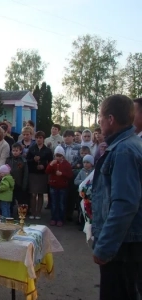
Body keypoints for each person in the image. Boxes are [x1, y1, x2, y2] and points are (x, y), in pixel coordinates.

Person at [92, 94, 142, 299]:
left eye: (101, 117)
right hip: (125, 244)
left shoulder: (124, 151)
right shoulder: (126, 145)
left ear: (111, 119)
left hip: (124, 248)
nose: (99, 122)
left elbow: (124, 204)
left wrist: (104, 247)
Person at [26, 131, 53, 220]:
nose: (38, 139)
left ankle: (38, 212)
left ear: (43, 139)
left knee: (40, 194)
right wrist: (33, 160)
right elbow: (26, 161)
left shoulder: (47, 150)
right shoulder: (32, 149)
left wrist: (44, 166)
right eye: (37, 138)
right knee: (33, 194)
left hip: (42, 174)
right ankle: (33, 211)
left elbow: (51, 163)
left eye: (40, 138)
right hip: (33, 174)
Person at [45, 146, 73, 227]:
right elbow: (47, 171)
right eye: (56, 155)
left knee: (62, 203)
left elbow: (70, 175)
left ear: (63, 156)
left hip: (63, 187)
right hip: (53, 186)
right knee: (54, 203)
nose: (58, 157)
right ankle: (54, 218)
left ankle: (61, 219)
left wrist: (62, 174)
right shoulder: (53, 163)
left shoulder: (66, 164)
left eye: (59, 156)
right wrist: (50, 164)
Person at [74, 154, 94, 231]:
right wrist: (84, 182)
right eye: (84, 162)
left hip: (90, 195)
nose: (85, 164)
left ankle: (90, 225)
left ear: (91, 163)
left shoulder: (93, 173)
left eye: (87, 162)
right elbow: (76, 181)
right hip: (82, 194)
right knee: (82, 209)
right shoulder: (81, 171)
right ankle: (82, 224)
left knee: (89, 210)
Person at [6, 142, 28, 210]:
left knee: (20, 200)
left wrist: (24, 185)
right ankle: (10, 213)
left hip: (19, 184)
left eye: (16, 150)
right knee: (10, 200)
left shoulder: (23, 161)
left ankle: (21, 214)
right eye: (13, 150)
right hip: (10, 184)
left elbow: (25, 174)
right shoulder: (8, 160)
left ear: (20, 151)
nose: (15, 152)